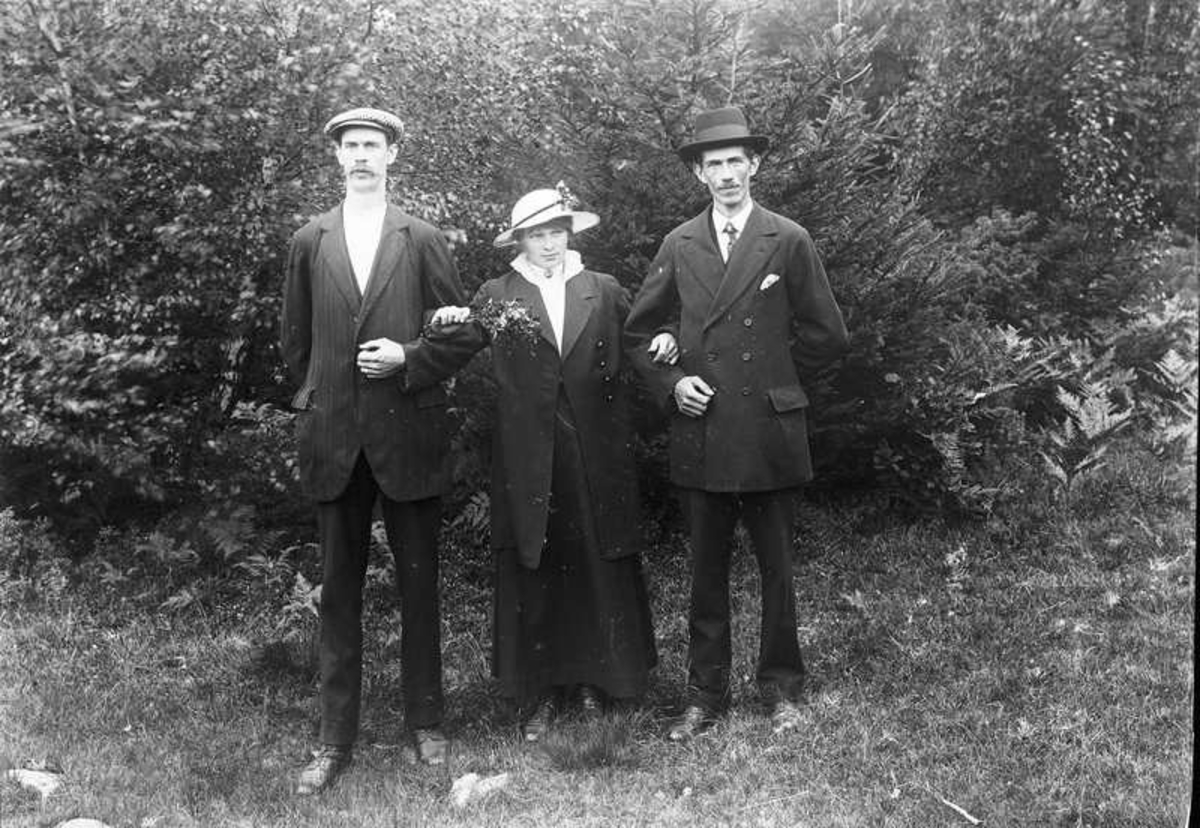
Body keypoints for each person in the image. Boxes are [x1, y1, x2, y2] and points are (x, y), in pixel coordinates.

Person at [624, 106, 849, 740]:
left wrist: (778, 378)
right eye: (713, 164)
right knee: (706, 571)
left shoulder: (788, 238)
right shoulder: (679, 244)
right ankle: (705, 695)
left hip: (770, 431)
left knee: (778, 569)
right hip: (703, 428)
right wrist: (674, 382)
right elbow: (639, 333)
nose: (726, 174)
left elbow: (829, 335)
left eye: (735, 162)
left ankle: (781, 688)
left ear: (755, 165)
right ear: (699, 174)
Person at [280, 107, 478, 795]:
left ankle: (427, 723)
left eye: (373, 145)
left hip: (408, 435)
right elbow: (296, 343)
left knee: (419, 587)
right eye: (351, 145)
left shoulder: (420, 238)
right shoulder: (310, 240)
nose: (362, 155)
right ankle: (334, 739)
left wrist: (409, 356)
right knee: (339, 594)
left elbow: (461, 332)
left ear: (392, 155)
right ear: (337, 156)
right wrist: (323, 398)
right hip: (334, 439)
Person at [430, 186, 674, 741]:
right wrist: (431, 331)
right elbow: (454, 345)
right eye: (537, 235)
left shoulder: (602, 288)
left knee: (593, 560)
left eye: (556, 232)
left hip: (594, 451)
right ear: (520, 240)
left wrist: (666, 341)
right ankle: (541, 689)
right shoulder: (499, 293)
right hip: (529, 457)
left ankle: (595, 682)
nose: (549, 244)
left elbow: (640, 337)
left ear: (570, 233)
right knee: (537, 564)